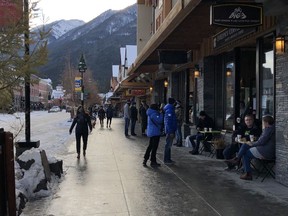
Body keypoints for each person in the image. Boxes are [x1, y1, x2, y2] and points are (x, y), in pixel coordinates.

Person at [226, 115, 275, 180]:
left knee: (245, 153)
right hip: (267, 150)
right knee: (245, 146)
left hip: (266, 152)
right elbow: (261, 140)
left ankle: (246, 171)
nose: (262, 124)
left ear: (266, 122)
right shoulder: (272, 128)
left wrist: (252, 144)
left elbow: (261, 142)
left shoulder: (267, 130)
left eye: (263, 122)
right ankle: (238, 160)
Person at [163, 97, 177, 164]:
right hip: (169, 131)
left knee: (168, 145)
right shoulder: (170, 110)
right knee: (168, 145)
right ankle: (166, 160)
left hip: (169, 130)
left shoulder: (169, 108)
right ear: (173, 103)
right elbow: (168, 121)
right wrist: (171, 131)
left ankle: (168, 159)